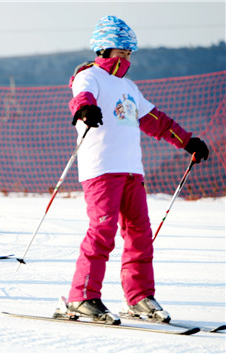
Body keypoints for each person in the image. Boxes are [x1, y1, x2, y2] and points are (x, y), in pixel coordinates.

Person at [53, 16, 210, 324]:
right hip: (101, 168)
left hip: (130, 170)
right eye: (119, 51)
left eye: (128, 52)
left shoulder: (128, 87)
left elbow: (156, 121)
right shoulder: (90, 76)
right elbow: (81, 98)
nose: (124, 58)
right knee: (103, 231)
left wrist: (188, 141)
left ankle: (139, 296)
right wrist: (85, 109)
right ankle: (81, 296)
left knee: (139, 233)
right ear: (103, 49)